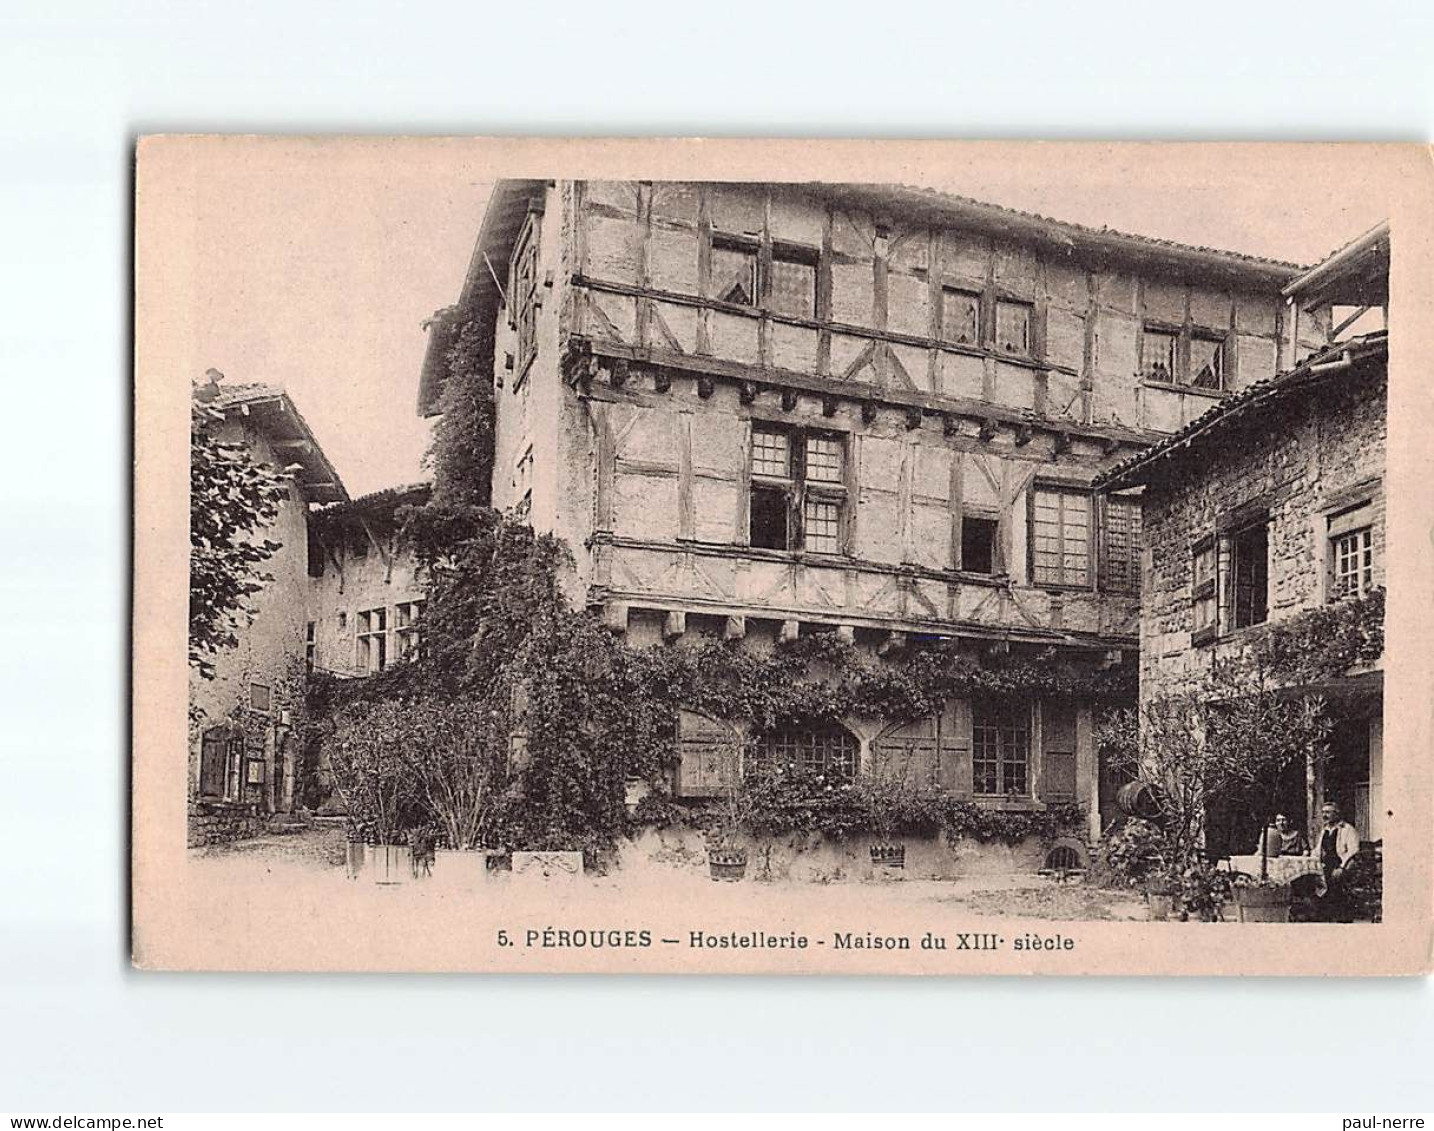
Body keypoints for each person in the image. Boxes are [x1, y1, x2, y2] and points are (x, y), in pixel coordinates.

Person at [1316, 801, 1361, 922]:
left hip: (1342, 865)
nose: (1325, 815)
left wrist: (1341, 867)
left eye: (1328, 812)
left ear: (1336, 814)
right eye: (1323, 812)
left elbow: (1353, 851)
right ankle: (1324, 916)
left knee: (1336, 880)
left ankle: (1341, 917)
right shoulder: (1324, 830)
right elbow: (1318, 849)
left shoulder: (1347, 829)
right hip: (1326, 865)